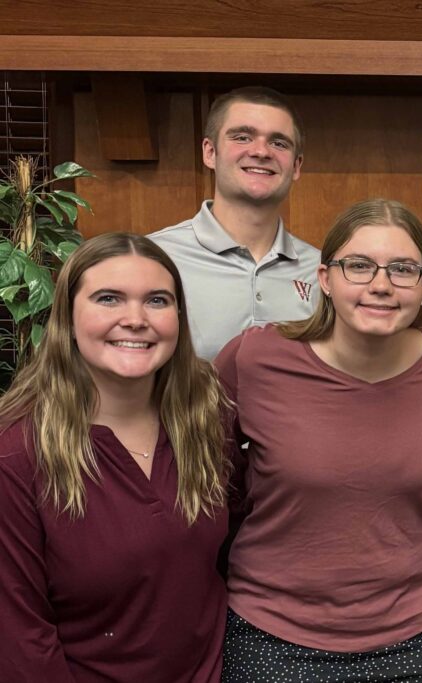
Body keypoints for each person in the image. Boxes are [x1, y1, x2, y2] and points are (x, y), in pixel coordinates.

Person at [216, 199, 422, 682]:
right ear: (325, 278)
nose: (380, 284)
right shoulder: (255, 358)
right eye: (359, 266)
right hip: (274, 633)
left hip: (416, 634)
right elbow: (207, 481)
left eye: (402, 269)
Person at [0, 233, 231, 682]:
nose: (136, 319)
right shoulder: (18, 455)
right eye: (109, 298)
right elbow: (18, 637)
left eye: (157, 301)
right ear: (67, 316)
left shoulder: (205, 423)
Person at [151, 86, 320, 360]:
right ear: (210, 152)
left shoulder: (322, 272)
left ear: (296, 166)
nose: (261, 152)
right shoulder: (156, 257)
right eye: (242, 137)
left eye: (279, 143)